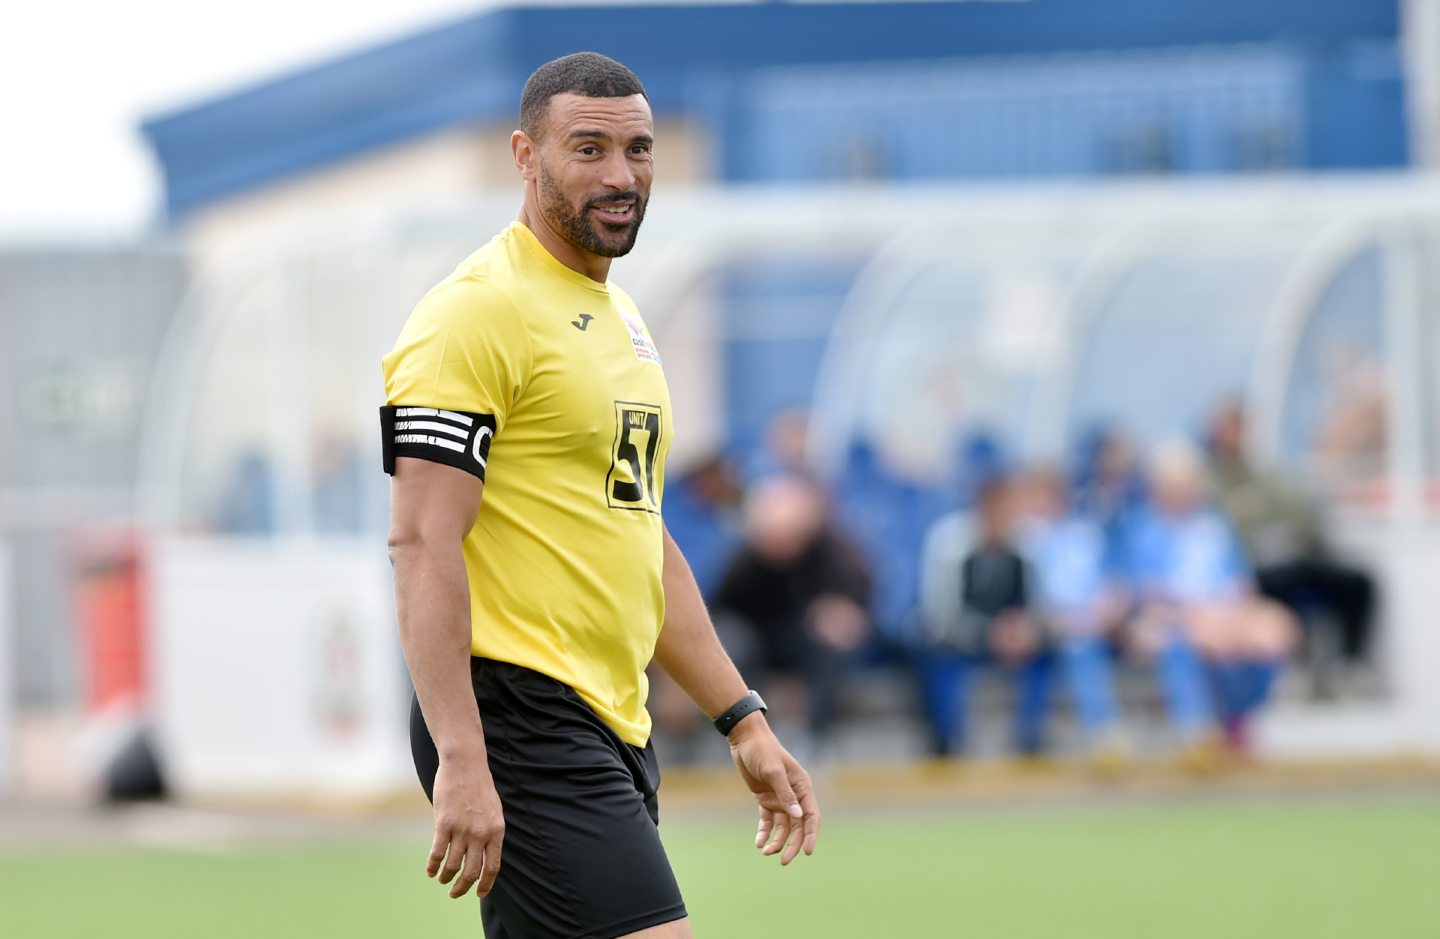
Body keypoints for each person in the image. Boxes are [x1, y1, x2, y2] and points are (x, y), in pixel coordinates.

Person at [381, 53, 819, 939]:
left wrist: (741, 717)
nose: (621, 175)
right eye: (589, 149)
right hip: (517, 708)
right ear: (524, 153)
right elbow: (421, 543)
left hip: (610, 714)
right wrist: (464, 756)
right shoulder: (472, 313)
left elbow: (638, 533)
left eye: (640, 150)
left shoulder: (622, 319)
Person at [1128, 441, 1297, 758]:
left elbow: (1240, 581)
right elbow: (1148, 592)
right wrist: (1199, 614)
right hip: (1174, 614)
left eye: (1188, 484)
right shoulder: (1145, 528)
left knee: (1275, 632)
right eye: (1175, 485)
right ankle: (1196, 733)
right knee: (1183, 641)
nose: (1183, 492)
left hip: (1225, 611)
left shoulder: (1215, 526)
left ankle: (1238, 718)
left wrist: (1233, 615)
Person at [1206, 401, 1376, 688]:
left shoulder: (1269, 476)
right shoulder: (1210, 483)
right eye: (1231, 429)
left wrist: (1298, 537)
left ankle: (1349, 665)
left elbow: (1303, 517)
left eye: (1242, 428)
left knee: (1358, 582)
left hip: (1297, 557)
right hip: (1253, 568)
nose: (1237, 436)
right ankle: (1290, 669)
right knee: (1284, 582)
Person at [710, 474, 872, 752]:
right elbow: (719, 610)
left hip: (803, 636)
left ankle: (814, 736)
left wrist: (840, 612)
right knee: (731, 643)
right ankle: (744, 730)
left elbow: (856, 607)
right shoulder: (745, 561)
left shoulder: (835, 553)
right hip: (756, 639)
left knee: (831, 637)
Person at [918, 476, 1054, 758]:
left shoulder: (1027, 544)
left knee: (1046, 654)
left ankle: (1029, 740)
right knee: (936, 656)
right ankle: (948, 742)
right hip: (962, 640)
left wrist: (1024, 630)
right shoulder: (950, 544)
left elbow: (1039, 606)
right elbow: (939, 615)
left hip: (1014, 641)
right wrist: (990, 632)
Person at [1017, 469, 1128, 765]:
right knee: (1078, 643)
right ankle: (1103, 733)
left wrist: (1108, 609)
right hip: (1049, 623)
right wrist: (1061, 619)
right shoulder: (1026, 538)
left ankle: (1106, 737)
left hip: (1093, 622)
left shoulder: (1085, 533)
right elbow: (1027, 593)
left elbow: (1112, 581)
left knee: (1083, 640)